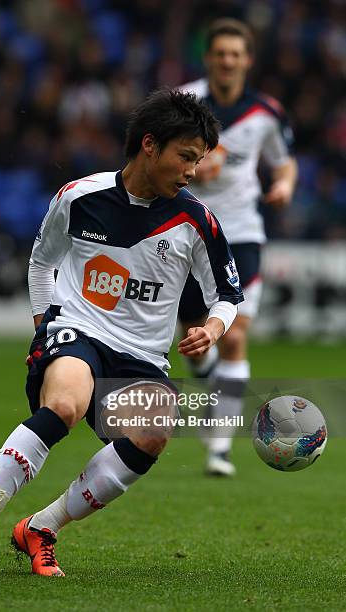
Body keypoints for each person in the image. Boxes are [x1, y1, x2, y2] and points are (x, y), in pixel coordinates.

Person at [0, 89, 243, 577]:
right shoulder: (79, 197)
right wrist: (43, 327)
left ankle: (41, 527)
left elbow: (228, 296)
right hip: (79, 329)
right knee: (65, 404)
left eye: (199, 160)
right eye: (185, 157)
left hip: (143, 358)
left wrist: (211, 328)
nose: (193, 171)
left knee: (154, 432)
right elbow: (43, 262)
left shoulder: (197, 221)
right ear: (150, 145)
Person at [178, 19, 298, 476]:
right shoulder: (183, 103)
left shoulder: (266, 113)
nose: (227, 61)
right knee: (192, 338)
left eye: (236, 54)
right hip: (185, 233)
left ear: (247, 60)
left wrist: (283, 187)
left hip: (241, 232)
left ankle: (219, 449)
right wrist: (196, 164)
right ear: (208, 57)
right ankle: (210, 381)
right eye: (220, 53)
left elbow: (284, 164)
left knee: (235, 334)